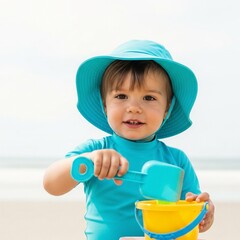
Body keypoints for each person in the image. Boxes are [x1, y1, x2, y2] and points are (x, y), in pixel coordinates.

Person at [43, 40, 214, 240]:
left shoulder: (177, 160)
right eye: (121, 96)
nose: (133, 107)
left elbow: (192, 210)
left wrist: (204, 211)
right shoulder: (96, 150)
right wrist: (89, 160)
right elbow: (51, 184)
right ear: (105, 105)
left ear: (167, 109)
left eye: (149, 98)